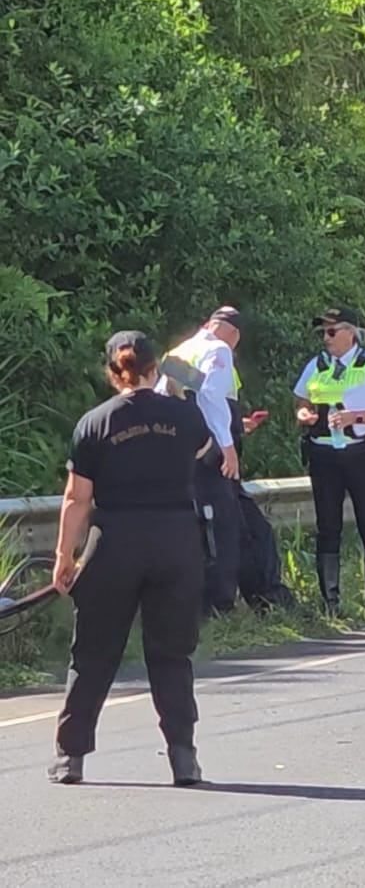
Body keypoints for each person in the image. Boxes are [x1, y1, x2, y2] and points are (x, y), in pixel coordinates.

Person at [49, 331, 215, 786]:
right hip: (176, 542)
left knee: (94, 654)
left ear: (112, 373)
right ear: (154, 369)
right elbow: (207, 454)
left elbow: (76, 498)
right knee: (171, 654)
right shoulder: (184, 416)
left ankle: (71, 758)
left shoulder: (95, 422)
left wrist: (65, 554)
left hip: (114, 541)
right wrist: (181, 397)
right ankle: (184, 757)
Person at [293, 306, 365, 630]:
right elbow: (301, 401)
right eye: (322, 332)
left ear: (350, 333)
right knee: (327, 527)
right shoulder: (317, 365)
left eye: (331, 331)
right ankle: (331, 607)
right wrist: (304, 415)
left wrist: (356, 417)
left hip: (362, 456)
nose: (325, 339)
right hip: (324, 455)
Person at [155, 306, 246, 614]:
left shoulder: (180, 350)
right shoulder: (219, 348)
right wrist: (227, 445)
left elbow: (171, 395)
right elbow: (211, 397)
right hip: (205, 452)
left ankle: (182, 599)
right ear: (233, 334)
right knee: (220, 522)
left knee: (186, 523)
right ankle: (219, 603)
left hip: (171, 449)